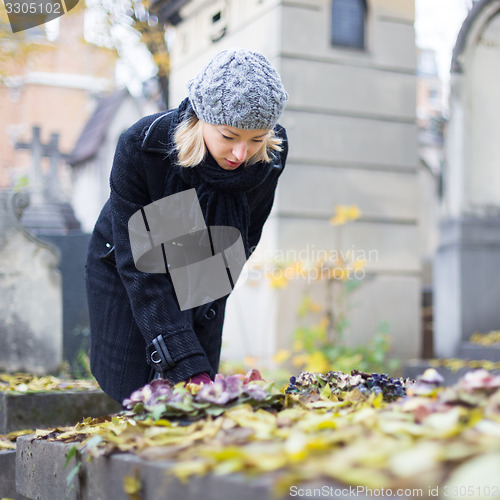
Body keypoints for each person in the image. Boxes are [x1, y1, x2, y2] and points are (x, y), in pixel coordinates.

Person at [85, 49, 289, 403]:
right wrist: (181, 359)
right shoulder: (143, 147)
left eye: (255, 139)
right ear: (201, 118)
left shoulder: (269, 156)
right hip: (127, 265)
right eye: (229, 136)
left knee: (197, 388)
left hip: (209, 261)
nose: (241, 154)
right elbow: (142, 270)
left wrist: (192, 366)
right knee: (135, 385)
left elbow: (243, 242)